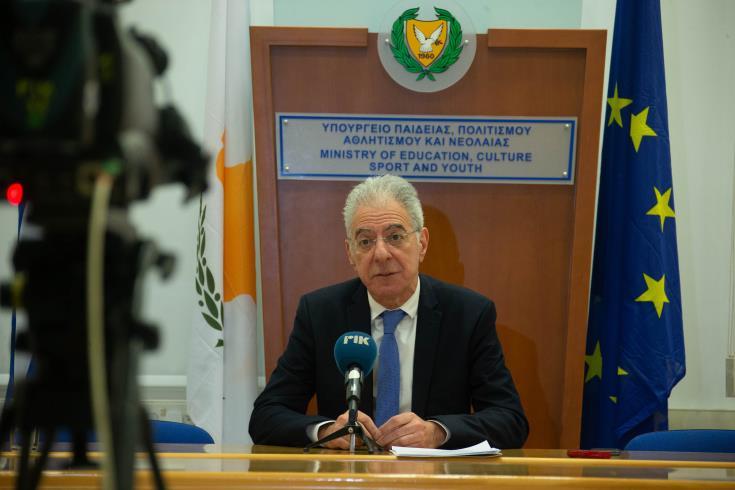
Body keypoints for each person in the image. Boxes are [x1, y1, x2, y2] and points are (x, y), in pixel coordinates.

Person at [249, 174, 528, 449]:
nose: (381, 254)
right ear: (350, 253)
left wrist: (437, 432)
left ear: (422, 243)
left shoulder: (468, 315)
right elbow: (266, 416)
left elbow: (510, 420)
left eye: (395, 236)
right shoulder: (320, 314)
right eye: (365, 241)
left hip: (433, 473)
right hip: (350, 473)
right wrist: (328, 431)